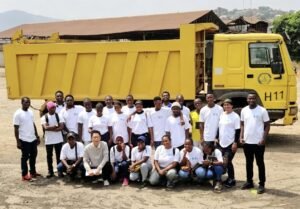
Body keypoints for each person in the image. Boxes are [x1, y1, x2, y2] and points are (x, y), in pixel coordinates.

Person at [240, 93, 270, 194]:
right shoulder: (244, 110)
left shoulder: (262, 110)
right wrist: (241, 137)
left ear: (256, 99)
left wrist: (264, 139)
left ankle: (262, 184)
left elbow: (267, 125)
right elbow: (242, 124)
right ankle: (249, 182)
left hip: (258, 142)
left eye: (253, 98)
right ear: (247, 100)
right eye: (249, 98)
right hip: (247, 142)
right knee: (249, 162)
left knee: (259, 163)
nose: (251, 100)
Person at [13, 97, 41, 181]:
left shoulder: (30, 112)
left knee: (33, 156)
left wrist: (37, 136)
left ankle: (32, 172)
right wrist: (18, 141)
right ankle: (24, 174)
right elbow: (16, 128)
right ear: (21, 103)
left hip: (32, 139)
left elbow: (33, 124)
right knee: (25, 157)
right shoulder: (17, 114)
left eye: (28, 102)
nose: (27, 104)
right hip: (24, 139)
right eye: (25, 102)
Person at [216, 98, 240, 188]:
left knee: (228, 161)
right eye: (225, 105)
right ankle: (225, 178)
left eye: (228, 105)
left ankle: (232, 179)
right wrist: (216, 137)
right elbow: (219, 127)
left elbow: (238, 130)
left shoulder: (235, 116)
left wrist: (235, 143)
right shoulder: (222, 115)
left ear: (232, 106)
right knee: (221, 160)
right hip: (221, 142)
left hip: (230, 143)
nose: (226, 106)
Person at [41, 101, 65, 178]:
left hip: (58, 139)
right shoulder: (44, 117)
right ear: (48, 108)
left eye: (54, 107)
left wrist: (51, 128)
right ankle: (50, 171)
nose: (53, 109)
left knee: (59, 156)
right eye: (51, 108)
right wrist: (55, 126)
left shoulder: (59, 116)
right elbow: (45, 128)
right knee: (49, 156)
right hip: (49, 140)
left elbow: (61, 127)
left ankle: (59, 171)